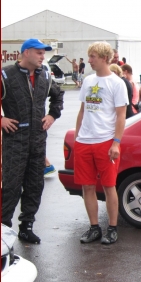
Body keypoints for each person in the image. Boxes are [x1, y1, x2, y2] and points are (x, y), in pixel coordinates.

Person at [1, 38, 64, 243]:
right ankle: (3, 229)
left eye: (43, 53)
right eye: (39, 53)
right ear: (26, 52)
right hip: (14, 141)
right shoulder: (5, 75)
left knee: (35, 185)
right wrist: (1, 119)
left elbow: (58, 96)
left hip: (38, 140)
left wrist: (53, 115)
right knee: (11, 186)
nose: (42, 57)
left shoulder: (45, 75)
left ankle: (26, 226)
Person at [74, 41, 128, 245]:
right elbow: (82, 110)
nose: (89, 60)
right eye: (89, 56)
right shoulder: (88, 81)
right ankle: (94, 227)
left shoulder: (116, 83)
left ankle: (112, 228)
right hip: (84, 142)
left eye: (93, 56)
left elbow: (121, 115)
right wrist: (76, 135)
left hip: (105, 142)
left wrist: (116, 142)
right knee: (87, 186)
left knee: (108, 186)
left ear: (104, 58)